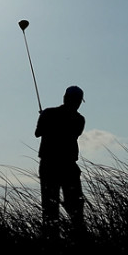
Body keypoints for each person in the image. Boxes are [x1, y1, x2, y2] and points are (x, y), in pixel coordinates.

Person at [35, 85, 86, 236]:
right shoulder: (79, 119)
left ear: (65, 98)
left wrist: (44, 117)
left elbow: (38, 133)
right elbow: (72, 132)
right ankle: (78, 236)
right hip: (68, 166)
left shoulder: (49, 114)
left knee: (50, 205)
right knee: (75, 205)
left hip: (49, 165)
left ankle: (51, 237)